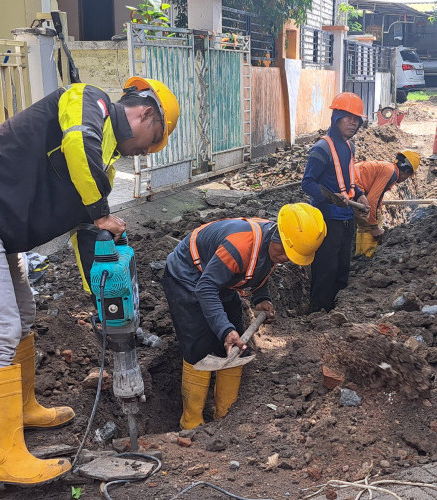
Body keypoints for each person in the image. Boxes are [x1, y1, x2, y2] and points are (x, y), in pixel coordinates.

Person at [0, 77, 179, 486]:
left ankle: (22, 408)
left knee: (23, 314)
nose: (148, 151)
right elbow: (79, 147)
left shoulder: (103, 170)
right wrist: (101, 212)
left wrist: (102, 296)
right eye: (154, 140)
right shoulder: (86, 100)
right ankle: (0, 458)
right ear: (147, 113)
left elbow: (86, 237)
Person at [161, 204, 326, 430]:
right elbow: (206, 289)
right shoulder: (239, 245)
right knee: (198, 347)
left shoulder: (275, 245)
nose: (287, 259)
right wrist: (224, 329)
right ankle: (191, 422)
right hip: (187, 278)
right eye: (286, 252)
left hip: (219, 280)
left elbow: (258, 270)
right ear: (278, 236)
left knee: (236, 346)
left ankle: (226, 416)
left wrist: (261, 297)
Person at [301, 92, 370, 313]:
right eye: (348, 117)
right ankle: (317, 313)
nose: (354, 123)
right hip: (327, 218)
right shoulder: (322, 149)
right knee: (325, 269)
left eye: (357, 119)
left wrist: (359, 193)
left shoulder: (350, 147)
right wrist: (329, 197)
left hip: (347, 218)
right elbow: (307, 183)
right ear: (336, 117)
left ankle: (335, 312)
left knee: (342, 267)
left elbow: (347, 179)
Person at [354, 150, 420, 257]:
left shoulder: (388, 168)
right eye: (408, 176)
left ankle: (360, 255)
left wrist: (376, 212)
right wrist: (375, 227)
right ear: (406, 172)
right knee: (370, 223)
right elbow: (372, 200)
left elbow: (377, 197)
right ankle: (366, 256)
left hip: (351, 184)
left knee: (369, 220)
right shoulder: (390, 173)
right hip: (352, 187)